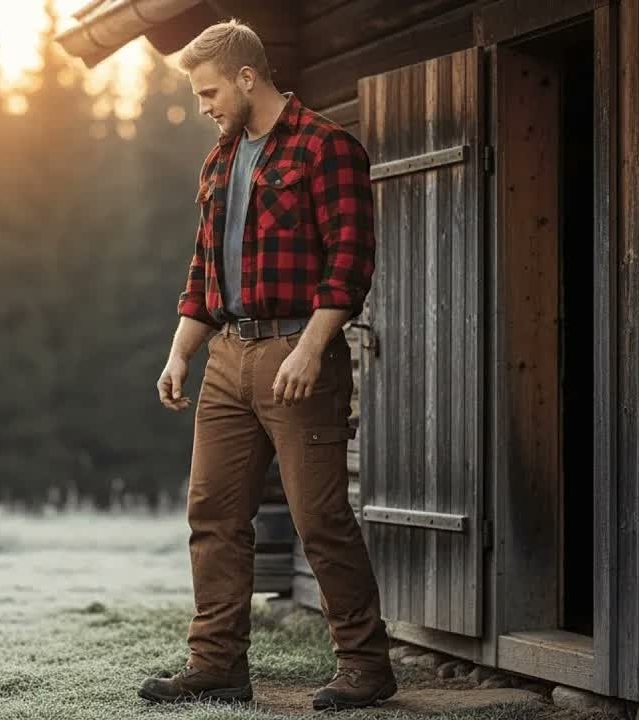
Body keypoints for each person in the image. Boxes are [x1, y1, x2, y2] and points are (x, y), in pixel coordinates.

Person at [140, 20, 397, 711]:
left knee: (319, 518)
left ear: (248, 77)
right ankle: (216, 664)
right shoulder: (219, 161)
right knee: (213, 513)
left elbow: (351, 260)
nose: (204, 107)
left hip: (296, 352)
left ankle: (366, 665)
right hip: (227, 354)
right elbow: (203, 270)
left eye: (209, 92)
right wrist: (181, 353)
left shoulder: (326, 147)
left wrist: (311, 347)